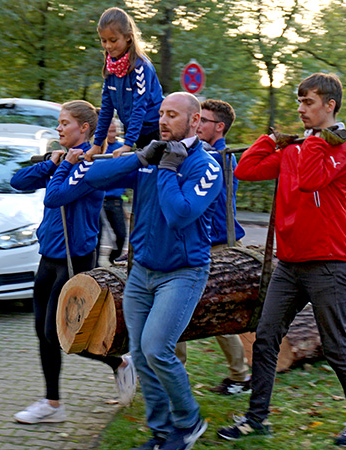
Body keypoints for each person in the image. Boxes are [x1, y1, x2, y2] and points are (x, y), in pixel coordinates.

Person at [217, 73, 346, 447]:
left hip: (327, 261)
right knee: (267, 336)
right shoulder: (295, 149)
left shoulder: (340, 149)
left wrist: (319, 141)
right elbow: (245, 170)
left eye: (309, 102)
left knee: (336, 344)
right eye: (300, 101)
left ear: (330, 105)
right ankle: (257, 419)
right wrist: (273, 141)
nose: (301, 109)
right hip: (289, 263)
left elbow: (309, 181)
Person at [86, 92, 222, 450]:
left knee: (157, 348)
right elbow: (94, 177)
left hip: (183, 273)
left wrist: (165, 171)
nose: (163, 120)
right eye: (161, 113)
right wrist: (138, 160)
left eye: (172, 115)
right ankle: (162, 433)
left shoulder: (206, 166)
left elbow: (180, 213)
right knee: (142, 354)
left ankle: (189, 422)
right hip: (142, 272)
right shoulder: (153, 155)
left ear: (194, 122)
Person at [9, 100, 136, 424]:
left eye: (64, 122)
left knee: (58, 334)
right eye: (59, 122)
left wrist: (64, 165)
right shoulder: (67, 161)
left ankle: (120, 364)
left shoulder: (90, 166)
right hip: (49, 256)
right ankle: (53, 404)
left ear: (84, 128)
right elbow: (18, 181)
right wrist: (52, 163)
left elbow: (55, 196)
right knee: (42, 332)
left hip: (73, 260)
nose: (59, 128)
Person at [175, 99, 251, 396]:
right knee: (205, 312)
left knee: (198, 311)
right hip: (207, 243)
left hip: (215, 245)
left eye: (203, 120)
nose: (198, 124)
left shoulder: (217, 156)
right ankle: (238, 375)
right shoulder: (211, 153)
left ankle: (238, 375)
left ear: (219, 127)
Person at [85, 7, 163, 162]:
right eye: (103, 40)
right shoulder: (111, 68)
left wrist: (128, 143)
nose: (108, 46)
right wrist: (97, 143)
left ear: (128, 37)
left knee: (152, 174)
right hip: (134, 129)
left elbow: (139, 107)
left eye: (113, 40)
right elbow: (107, 107)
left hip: (153, 129)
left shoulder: (140, 67)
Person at [96, 119, 128, 266]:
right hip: (100, 199)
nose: (112, 134)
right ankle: (95, 265)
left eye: (114, 130)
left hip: (115, 199)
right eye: (109, 131)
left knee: (121, 234)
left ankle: (113, 259)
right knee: (98, 234)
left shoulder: (121, 148)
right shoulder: (98, 148)